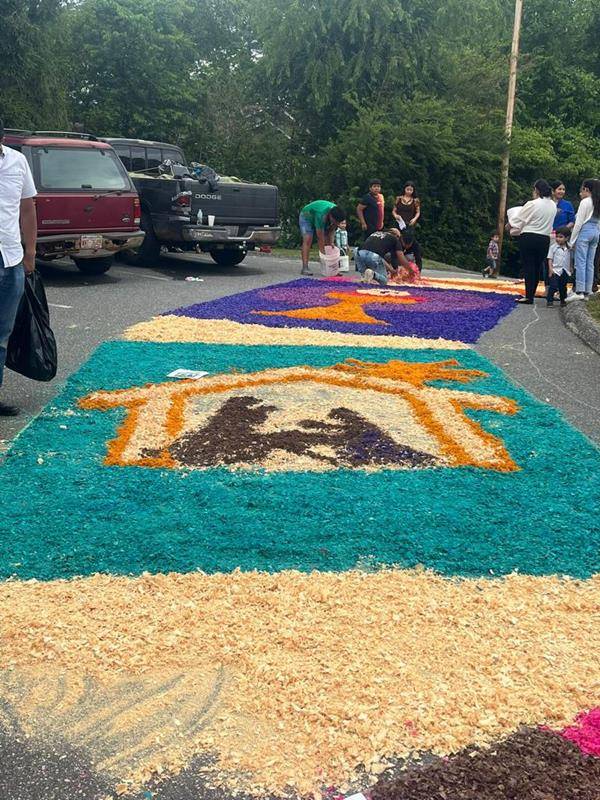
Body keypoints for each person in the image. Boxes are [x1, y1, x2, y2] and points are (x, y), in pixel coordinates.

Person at [0, 117, 37, 416]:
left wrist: (30, 252)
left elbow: (27, 208)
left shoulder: (17, 162)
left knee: (2, 332)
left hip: (10, 259)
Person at [510, 179, 556, 304]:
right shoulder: (553, 205)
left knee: (528, 266)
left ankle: (529, 296)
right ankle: (531, 293)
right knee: (537, 267)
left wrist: (510, 225)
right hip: (544, 238)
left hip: (530, 237)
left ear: (536, 190)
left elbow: (519, 219)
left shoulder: (533, 203)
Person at [566, 178, 600, 302]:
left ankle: (579, 290)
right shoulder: (597, 202)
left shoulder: (585, 202)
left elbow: (579, 222)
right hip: (596, 231)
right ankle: (588, 291)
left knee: (580, 262)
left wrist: (572, 240)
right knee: (590, 263)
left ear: (586, 189)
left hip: (585, 232)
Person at [298, 200, 346, 276]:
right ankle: (305, 267)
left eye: (338, 222)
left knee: (329, 244)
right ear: (331, 216)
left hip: (321, 215)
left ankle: (331, 270)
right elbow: (320, 237)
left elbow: (332, 229)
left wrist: (331, 242)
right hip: (306, 216)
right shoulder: (321, 215)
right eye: (335, 221)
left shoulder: (336, 213)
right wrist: (324, 256)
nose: (337, 224)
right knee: (308, 240)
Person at [546, 227, 572, 307]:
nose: (558, 239)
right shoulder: (553, 247)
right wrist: (550, 269)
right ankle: (550, 300)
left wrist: (571, 267)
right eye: (557, 236)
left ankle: (563, 300)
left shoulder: (569, 248)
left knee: (563, 287)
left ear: (567, 238)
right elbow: (550, 258)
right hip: (555, 270)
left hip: (565, 270)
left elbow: (570, 258)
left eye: (561, 237)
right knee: (553, 286)